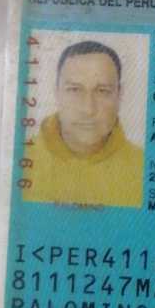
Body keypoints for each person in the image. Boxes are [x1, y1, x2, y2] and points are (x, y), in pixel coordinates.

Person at [25, 40, 144, 207]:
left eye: (102, 91)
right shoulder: (22, 161)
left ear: (120, 95)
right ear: (56, 93)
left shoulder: (144, 169)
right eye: (74, 90)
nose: (88, 109)